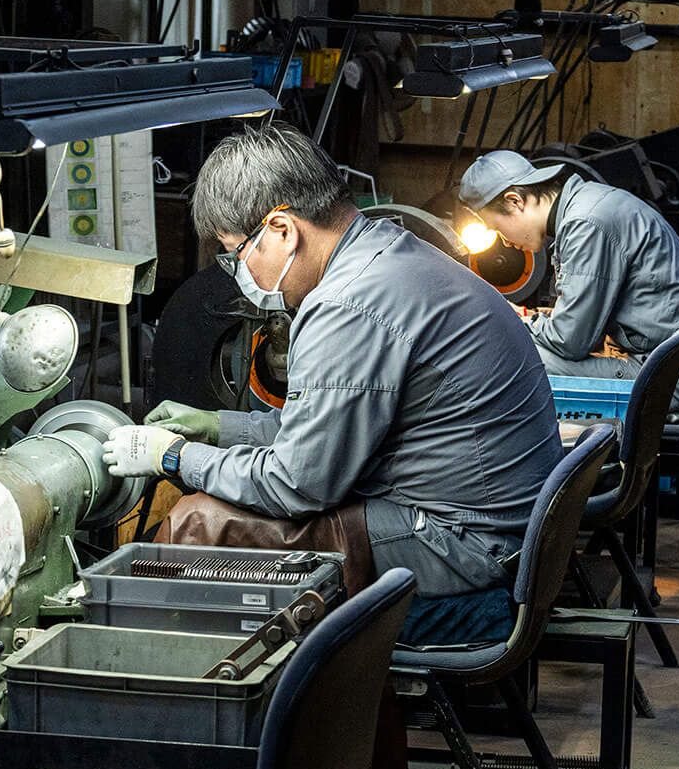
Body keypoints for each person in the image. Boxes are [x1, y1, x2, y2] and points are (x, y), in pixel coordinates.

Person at [103, 123, 563, 601]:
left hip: (464, 547)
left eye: (235, 254)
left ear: (282, 231)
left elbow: (296, 484)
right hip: (497, 525)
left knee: (197, 523)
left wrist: (174, 456)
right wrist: (218, 427)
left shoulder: (346, 305)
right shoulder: (385, 249)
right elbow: (325, 431)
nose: (241, 273)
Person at [457, 148, 679, 412]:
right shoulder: (587, 203)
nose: (504, 241)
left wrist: (521, 322)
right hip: (676, 365)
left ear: (514, 201)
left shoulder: (586, 222)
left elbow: (571, 341)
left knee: (511, 357)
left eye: (497, 228)